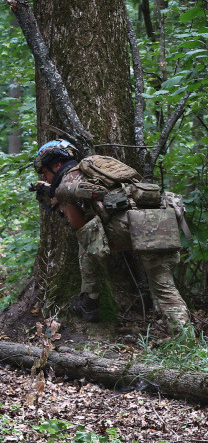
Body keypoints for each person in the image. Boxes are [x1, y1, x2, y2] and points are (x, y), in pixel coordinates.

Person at [33, 139, 192, 334]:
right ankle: (185, 337)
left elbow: (79, 226)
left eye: (45, 172)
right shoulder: (96, 168)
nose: (46, 177)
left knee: (85, 237)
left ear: (57, 165)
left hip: (130, 228)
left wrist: (61, 201)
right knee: (164, 288)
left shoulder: (65, 186)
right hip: (159, 220)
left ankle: (90, 300)